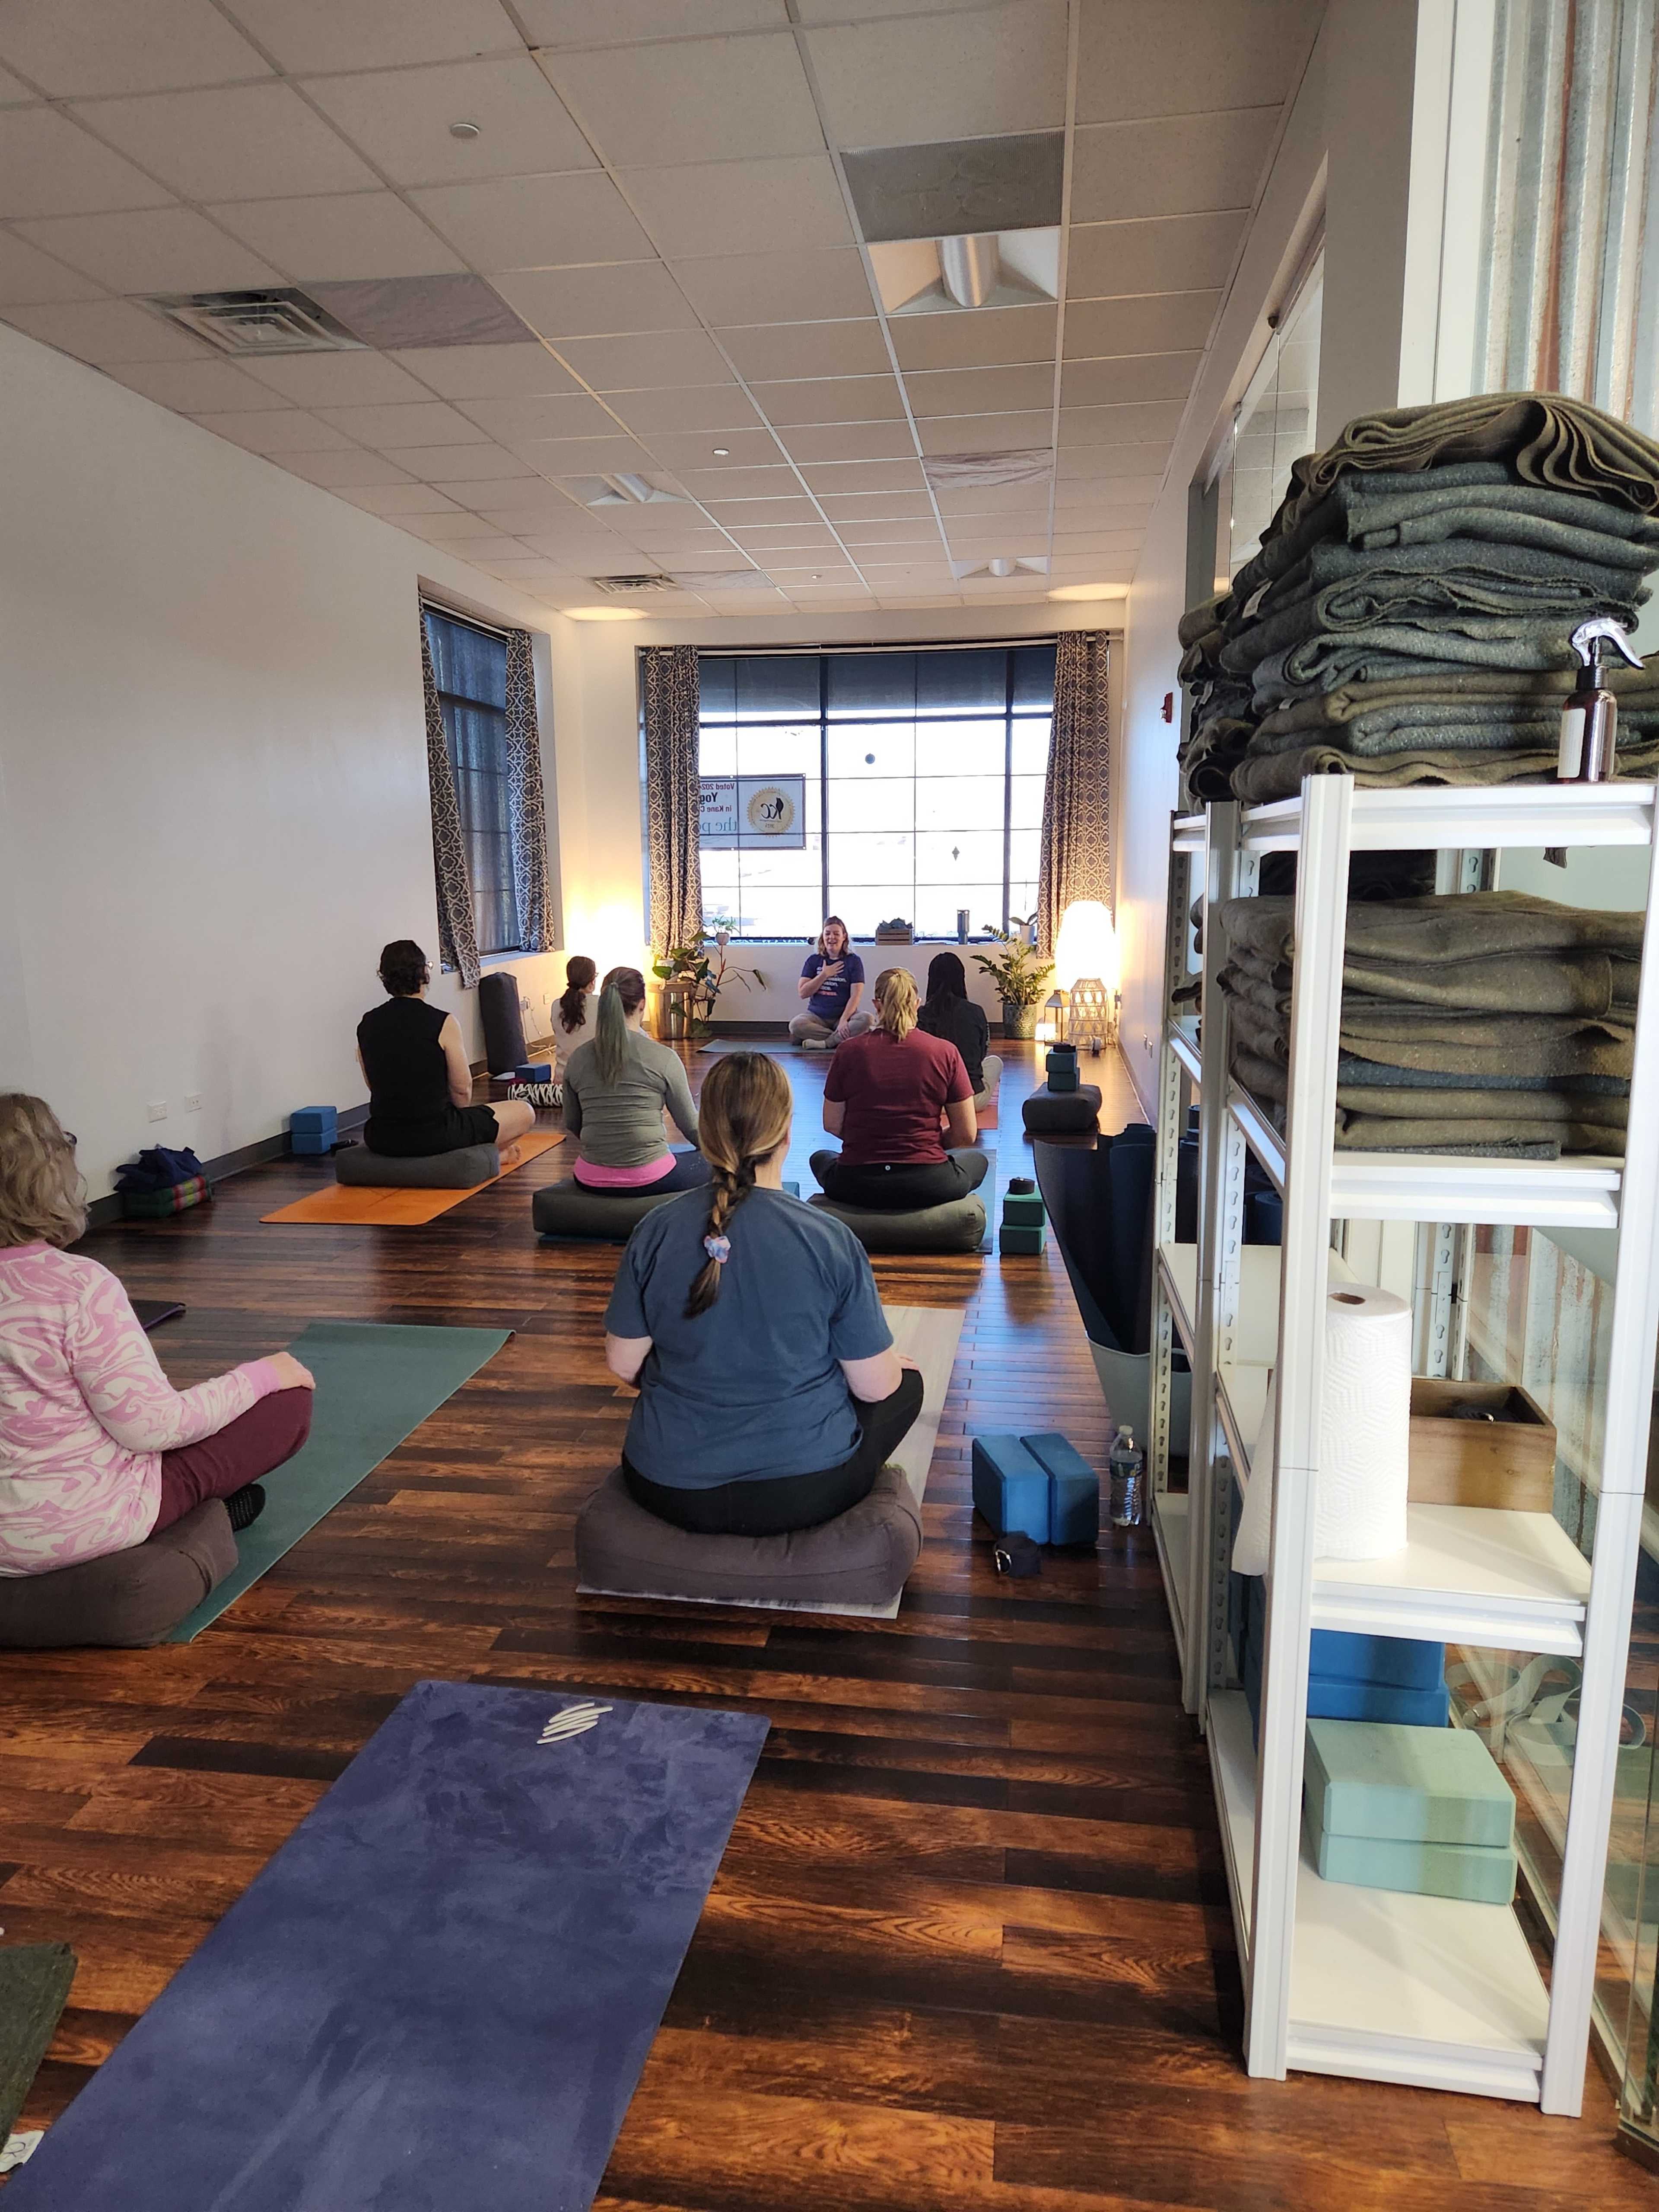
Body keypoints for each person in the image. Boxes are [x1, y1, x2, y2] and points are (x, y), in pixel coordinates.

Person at [604, 1051, 922, 1536]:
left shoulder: (654, 1230)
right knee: (908, 1383)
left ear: (704, 1132)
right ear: (787, 1131)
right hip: (804, 1490)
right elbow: (876, 1388)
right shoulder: (830, 1238)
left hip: (668, 1485)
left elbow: (625, 1365)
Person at [0, 1094, 316, 1575]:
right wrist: (262, 1375)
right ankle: (197, 1519)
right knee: (289, 1404)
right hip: (86, 1524)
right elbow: (152, 1428)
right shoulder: (79, 1287)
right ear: (50, 1173)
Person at [811, 968, 990, 1210]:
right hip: (927, 1182)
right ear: (917, 1004)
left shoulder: (848, 1051)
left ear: (877, 1005)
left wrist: (870, 1142)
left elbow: (832, 1124)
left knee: (821, 1158)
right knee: (977, 1161)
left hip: (857, 1182)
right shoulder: (945, 1052)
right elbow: (967, 1134)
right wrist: (928, 1144)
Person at [357, 940, 535, 1159]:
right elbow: (462, 1091)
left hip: (381, 1136)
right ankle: (495, 1157)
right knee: (524, 1112)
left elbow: (373, 1084)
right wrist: (461, 1123)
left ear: (385, 978)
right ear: (424, 974)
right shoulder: (443, 1022)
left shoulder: (366, 1024)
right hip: (435, 1134)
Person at [563, 966, 710, 1194]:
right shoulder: (664, 1058)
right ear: (642, 1004)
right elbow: (691, 1128)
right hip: (649, 1178)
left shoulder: (577, 1059)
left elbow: (573, 1122)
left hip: (589, 1177)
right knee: (714, 1162)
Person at [917, 951, 1003, 1111]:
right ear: (961, 979)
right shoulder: (976, 1012)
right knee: (995, 1062)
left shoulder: (921, 1014)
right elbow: (981, 1054)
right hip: (970, 1100)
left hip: (931, 1100)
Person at [789, 916, 872, 1049]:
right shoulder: (814, 960)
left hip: (844, 1015)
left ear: (844, 936)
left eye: (836, 934)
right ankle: (842, 1038)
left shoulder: (854, 961)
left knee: (867, 1020)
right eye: (827, 934)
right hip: (817, 1016)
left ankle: (826, 1043)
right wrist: (824, 975)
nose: (831, 937)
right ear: (823, 937)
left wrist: (844, 1020)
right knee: (796, 1025)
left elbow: (856, 996)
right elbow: (803, 993)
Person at [549, 953, 597, 1103]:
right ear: (592, 981)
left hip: (562, 1082)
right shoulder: (602, 1004)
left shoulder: (557, 1005)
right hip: (594, 1083)